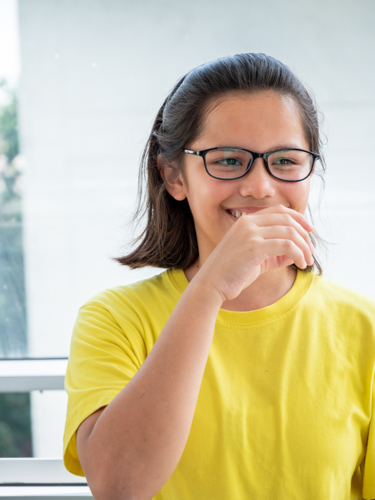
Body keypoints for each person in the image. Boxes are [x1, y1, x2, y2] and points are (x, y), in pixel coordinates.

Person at [63, 53, 375, 500]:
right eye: (229, 160)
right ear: (173, 175)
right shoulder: (112, 320)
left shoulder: (365, 328)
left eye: (285, 160)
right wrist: (210, 289)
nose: (260, 186)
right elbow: (118, 487)